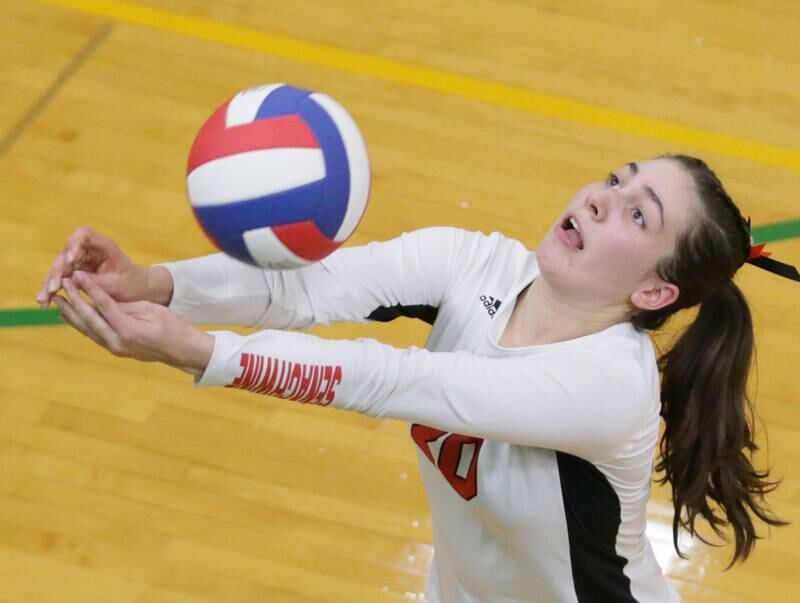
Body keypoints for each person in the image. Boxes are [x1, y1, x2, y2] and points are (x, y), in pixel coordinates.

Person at [37, 154, 795, 603]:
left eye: (638, 214)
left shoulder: (606, 386)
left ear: (657, 292)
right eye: (615, 179)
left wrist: (204, 354)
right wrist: (158, 283)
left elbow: (400, 379)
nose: (601, 197)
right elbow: (306, 287)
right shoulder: (473, 264)